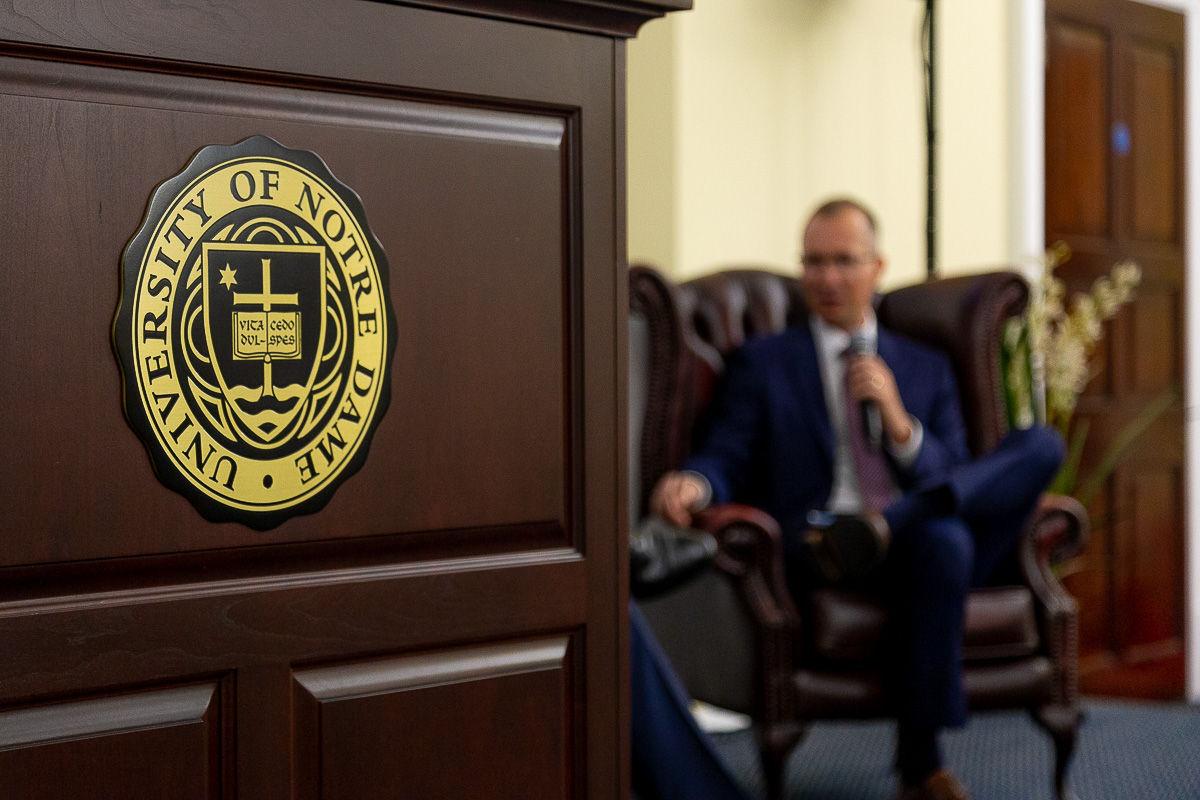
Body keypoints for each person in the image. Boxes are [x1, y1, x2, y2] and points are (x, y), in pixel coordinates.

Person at [649, 198, 1064, 800]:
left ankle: (895, 522)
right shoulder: (765, 363)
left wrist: (901, 427)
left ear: (877, 267)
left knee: (1036, 449)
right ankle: (922, 768)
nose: (827, 278)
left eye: (845, 261)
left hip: (918, 538)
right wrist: (697, 482)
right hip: (826, 543)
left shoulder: (926, 365)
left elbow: (952, 471)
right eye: (814, 263)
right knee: (947, 537)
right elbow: (727, 454)